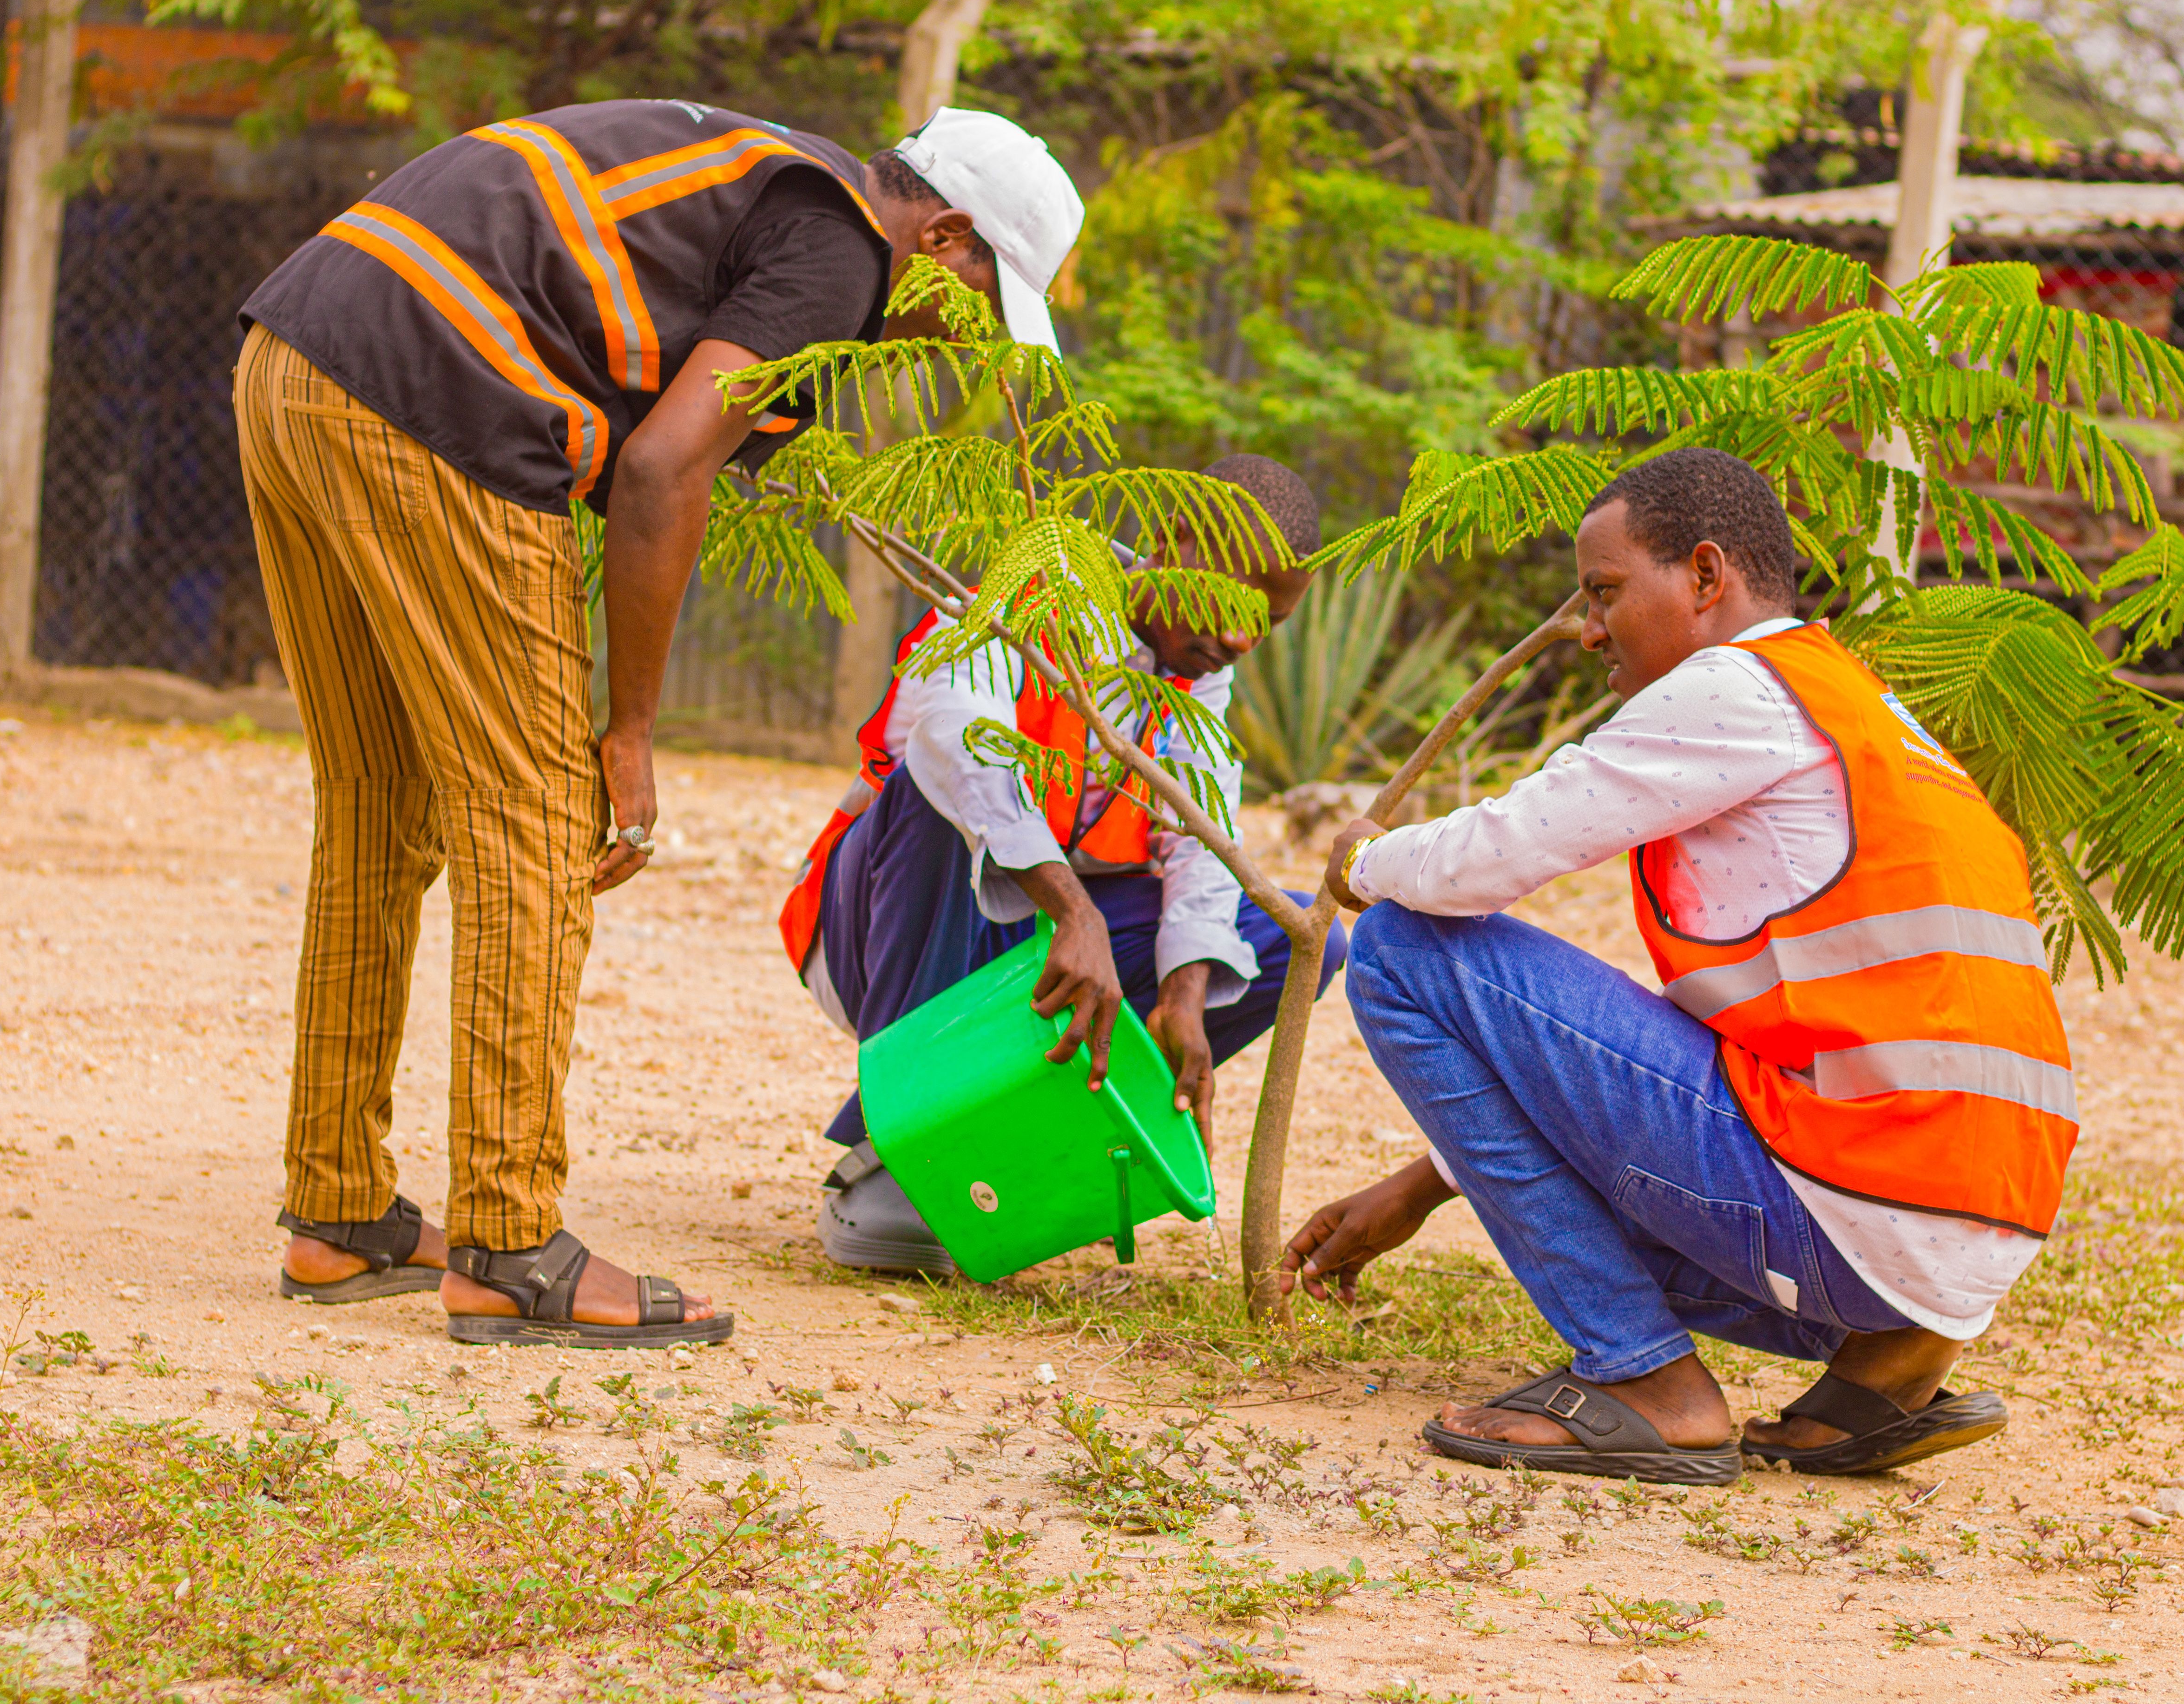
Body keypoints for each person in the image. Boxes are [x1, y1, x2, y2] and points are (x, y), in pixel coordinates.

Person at [234, 101, 1084, 1347]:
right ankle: (513, 1248)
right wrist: (630, 726)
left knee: (380, 808)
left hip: (296, 361)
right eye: (977, 302)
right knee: (533, 822)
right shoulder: (842, 248)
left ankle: (339, 1212)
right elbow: (662, 466)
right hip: (435, 392)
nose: (955, 343)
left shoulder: (766, 186)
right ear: (941, 235)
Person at [1281, 448, 2074, 1481]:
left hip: (1853, 1210)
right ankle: (1881, 1377)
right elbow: (1688, 1056)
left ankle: (1646, 1378)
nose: (1586, 626)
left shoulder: (1738, 688)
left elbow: (1492, 856)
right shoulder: (1863, 707)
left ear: (1706, 578)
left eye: (1606, 591)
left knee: (1401, 947)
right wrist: (1429, 1180)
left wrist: (1361, 862)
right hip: (1949, 1242)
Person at [781, 454, 1349, 1274]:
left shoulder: (1197, 677)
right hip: (886, 931)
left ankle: (1010, 1136)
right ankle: (901, 1148)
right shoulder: (1027, 599)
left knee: (1299, 943)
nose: (1238, 641)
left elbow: (1203, 835)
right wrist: (1075, 912)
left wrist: (1187, 991)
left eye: (1269, 623)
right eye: (1232, 604)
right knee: (942, 782)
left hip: (1030, 949)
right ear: (1168, 543)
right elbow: (948, 738)